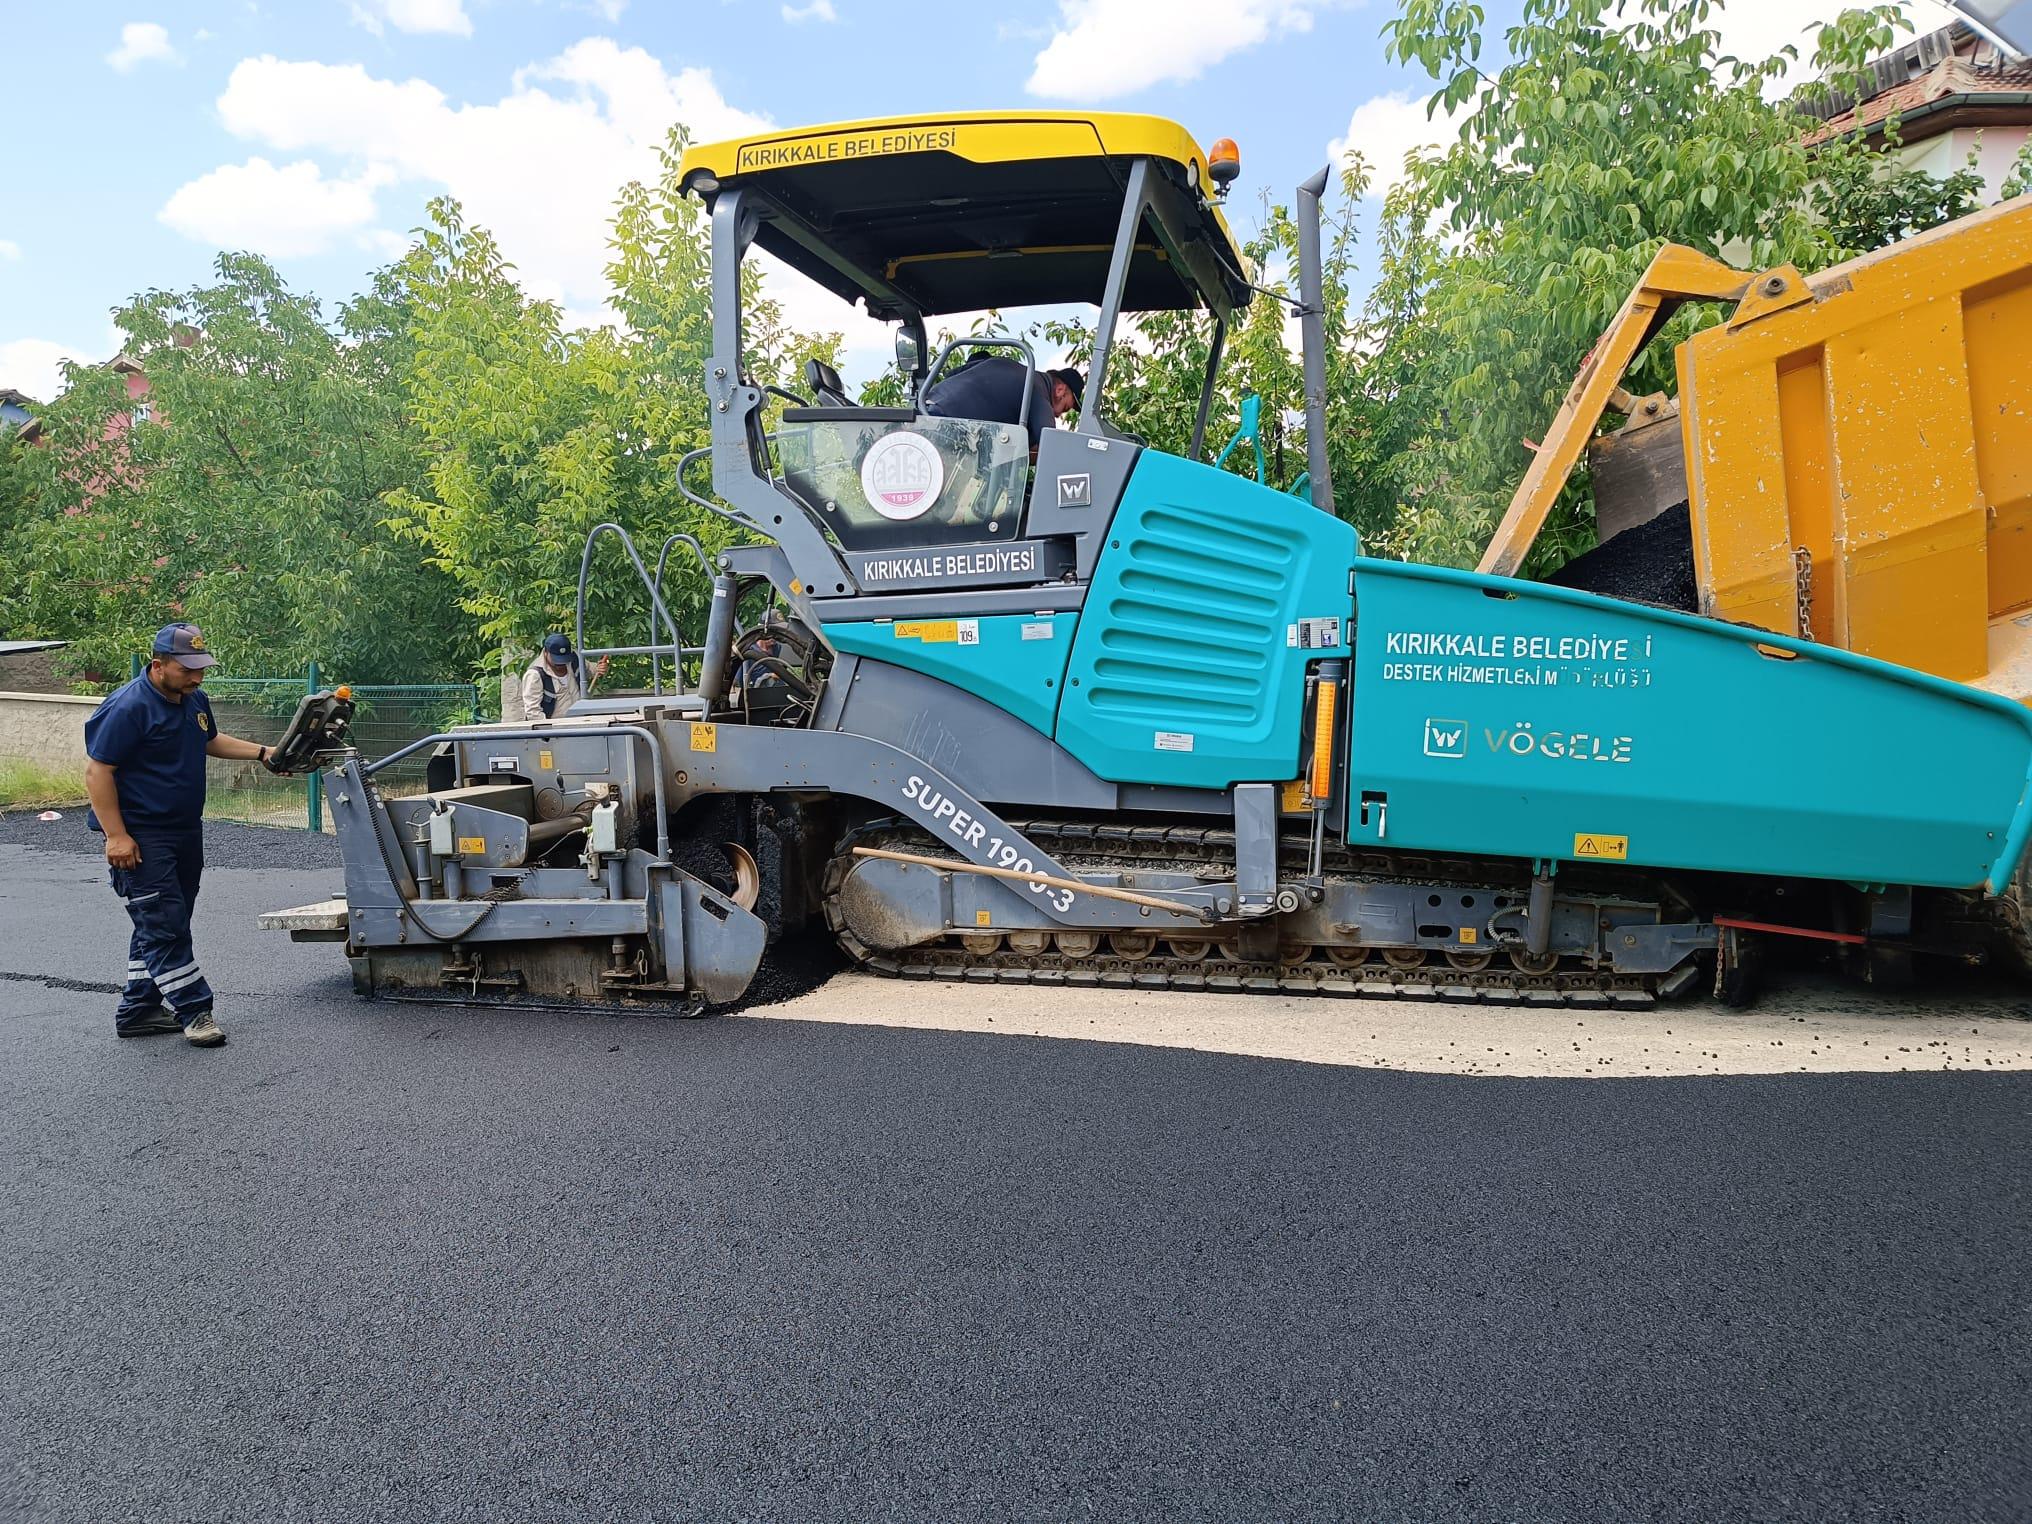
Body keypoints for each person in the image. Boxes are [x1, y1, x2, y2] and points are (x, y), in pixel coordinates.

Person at [83, 623, 279, 1046]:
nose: (197, 677)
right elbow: (98, 771)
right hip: (141, 834)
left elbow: (209, 739)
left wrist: (264, 752)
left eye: (201, 668)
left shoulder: (193, 699)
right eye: (188, 669)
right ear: (158, 665)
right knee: (165, 923)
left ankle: (139, 1011)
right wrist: (115, 835)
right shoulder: (128, 706)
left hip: (183, 830)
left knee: (164, 922)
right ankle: (196, 1010)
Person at [922, 356, 1083, 454]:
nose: (1058, 415)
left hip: (926, 408)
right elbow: (1051, 447)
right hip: (947, 428)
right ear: (1060, 390)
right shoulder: (1038, 391)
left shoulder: (1006, 365)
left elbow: (951, 374)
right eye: (1065, 408)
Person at [517, 633, 609, 723]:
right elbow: (533, 712)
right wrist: (548, 732)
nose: (561, 664)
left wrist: (599, 668)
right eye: (556, 660)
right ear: (545, 653)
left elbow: (589, 670)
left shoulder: (574, 658)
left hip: (580, 721)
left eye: (564, 659)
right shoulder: (534, 675)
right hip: (554, 729)